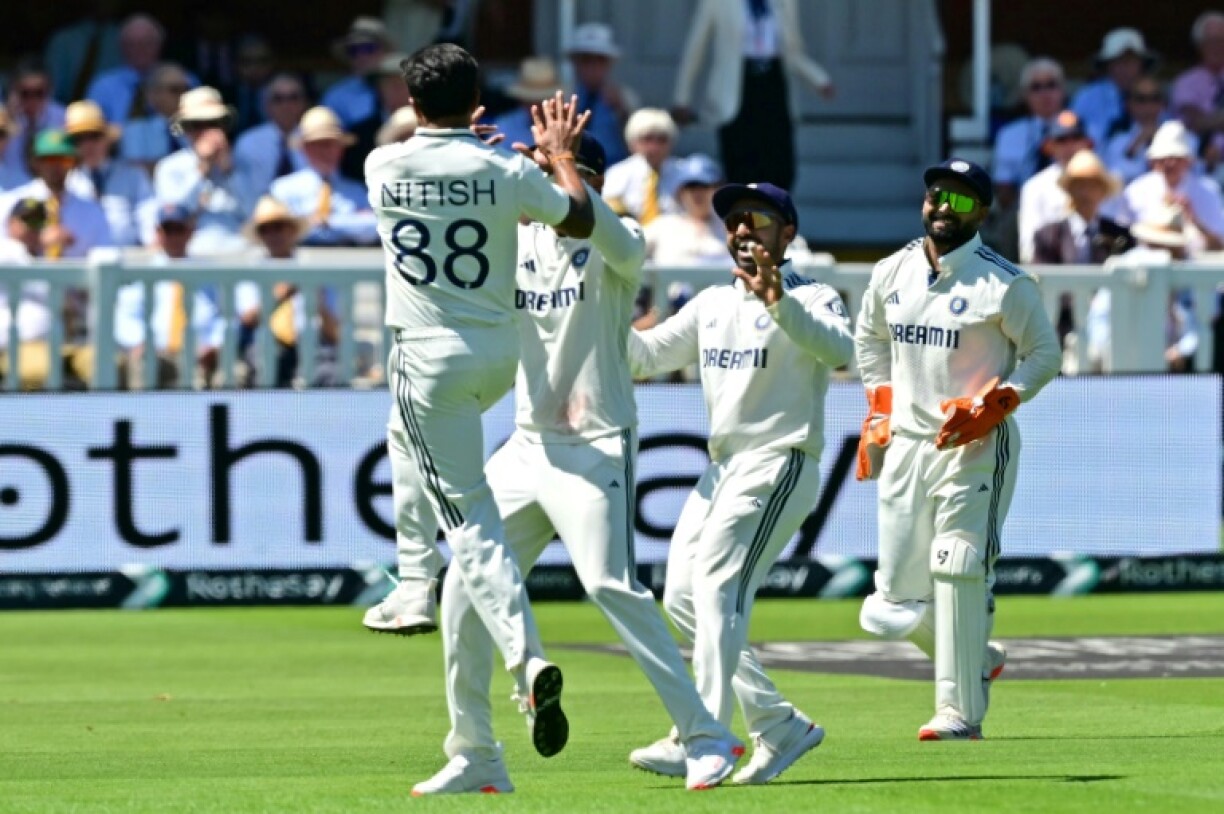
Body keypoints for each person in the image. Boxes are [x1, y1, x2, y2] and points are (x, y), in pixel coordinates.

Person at [408, 133, 743, 795]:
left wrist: (560, 162)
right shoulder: (515, 243)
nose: (538, 189)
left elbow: (606, 228)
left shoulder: (614, 243)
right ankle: (476, 752)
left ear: (580, 180)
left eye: (552, 175)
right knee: (461, 588)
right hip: (527, 446)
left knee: (611, 586)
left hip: (594, 447)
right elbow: (459, 222)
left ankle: (706, 739)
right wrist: (477, 159)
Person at [363, 44, 595, 762]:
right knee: (406, 440)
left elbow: (430, 165)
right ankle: (409, 580)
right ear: (478, 104)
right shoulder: (507, 168)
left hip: (428, 353)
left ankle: (525, 664)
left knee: (471, 525)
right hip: (498, 353)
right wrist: (556, 155)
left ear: (409, 100)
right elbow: (578, 219)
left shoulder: (383, 166)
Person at [626, 183, 852, 784]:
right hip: (724, 467)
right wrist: (597, 310)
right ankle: (777, 724)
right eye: (734, 221)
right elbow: (644, 357)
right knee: (680, 596)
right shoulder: (710, 302)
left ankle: (700, 735)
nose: (743, 229)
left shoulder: (815, 294)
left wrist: (779, 301)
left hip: (781, 460)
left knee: (719, 587)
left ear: (788, 233)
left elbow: (839, 351)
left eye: (757, 219)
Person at [854, 159, 1061, 741]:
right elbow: (869, 341)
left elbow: (1044, 355)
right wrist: (880, 411)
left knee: (959, 567)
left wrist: (997, 404)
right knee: (887, 608)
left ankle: (959, 713)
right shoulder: (891, 271)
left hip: (975, 445)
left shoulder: (1005, 283)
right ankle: (976, 656)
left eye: (962, 200)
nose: (945, 207)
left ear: (983, 213)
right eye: (937, 195)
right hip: (907, 446)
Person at [672, 0, 835, 190]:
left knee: (778, 163)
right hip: (737, 89)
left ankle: (775, 215)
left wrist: (818, 79)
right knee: (742, 162)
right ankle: (742, 215)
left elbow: (792, 50)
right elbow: (696, 47)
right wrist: (682, 98)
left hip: (772, 85)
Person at [113, 203, 225, 389]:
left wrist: (213, 345)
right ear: (158, 233)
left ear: (190, 232)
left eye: (178, 230)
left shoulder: (208, 274)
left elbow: (225, 316)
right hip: (157, 353)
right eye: (168, 230)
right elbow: (126, 316)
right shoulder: (145, 274)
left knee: (231, 376)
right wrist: (143, 342)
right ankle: (144, 418)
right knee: (143, 365)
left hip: (200, 355)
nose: (173, 237)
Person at [234, 196, 338, 387]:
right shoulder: (251, 270)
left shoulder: (314, 269)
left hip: (312, 344)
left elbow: (334, 333)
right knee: (264, 365)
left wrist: (319, 304)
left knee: (329, 373)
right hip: (266, 344)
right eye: (266, 229)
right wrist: (283, 293)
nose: (273, 234)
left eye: (279, 226)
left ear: (292, 230)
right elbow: (248, 318)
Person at [0, 198, 95, 390]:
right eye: (27, 221)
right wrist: (45, 241)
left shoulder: (46, 258)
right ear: (11, 224)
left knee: (104, 364)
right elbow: (22, 265)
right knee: (41, 372)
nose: (33, 228)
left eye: (39, 222)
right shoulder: (7, 249)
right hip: (19, 345)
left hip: (62, 344)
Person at [155, 87, 257, 255]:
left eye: (216, 124)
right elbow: (174, 217)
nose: (209, 132)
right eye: (199, 125)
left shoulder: (242, 163)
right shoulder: (170, 167)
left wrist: (228, 172)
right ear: (186, 128)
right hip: (189, 256)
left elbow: (253, 213)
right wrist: (202, 170)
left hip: (238, 254)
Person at [270, 106, 376, 246]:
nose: (325, 151)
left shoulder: (357, 191)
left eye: (331, 144)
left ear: (341, 149)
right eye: (317, 144)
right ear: (304, 149)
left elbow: (374, 227)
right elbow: (280, 231)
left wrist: (328, 222)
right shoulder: (283, 189)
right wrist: (352, 221)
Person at [1, 129, 114, 259]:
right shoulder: (11, 202)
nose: (55, 166)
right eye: (48, 160)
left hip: (76, 278)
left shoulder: (91, 210)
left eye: (64, 160)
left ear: (74, 164)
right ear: (35, 162)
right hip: (28, 278)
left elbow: (105, 253)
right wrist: (36, 241)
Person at [63, 101, 155, 247]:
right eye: (79, 139)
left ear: (106, 139)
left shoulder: (133, 176)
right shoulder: (67, 181)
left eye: (94, 136)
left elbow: (148, 218)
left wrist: (152, 245)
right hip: (84, 261)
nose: (87, 145)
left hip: (128, 260)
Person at [1123, 121, 1224, 253]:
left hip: (1194, 268)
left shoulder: (1208, 192)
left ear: (1189, 161)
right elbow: (1123, 239)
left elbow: (1219, 246)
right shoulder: (1135, 191)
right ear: (1152, 161)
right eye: (1163, 158)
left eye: (1176, 158)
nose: (1169, 163)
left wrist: (1194, 220)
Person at [1016, 110, 1101, 263]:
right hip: (1052, 268)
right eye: (1061, 140)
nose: (1070, 145)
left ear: (1087, 143)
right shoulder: (1035, 186)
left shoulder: (1101, 180)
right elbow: (1029, 245)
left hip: (1100, 264)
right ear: (1050, 146)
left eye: (1076, 138)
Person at [1032, 150, 1133, 264]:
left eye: (1093, 185)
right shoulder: (1048, 236)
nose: (1086, 192)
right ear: (1069, 190)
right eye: (1079, 185)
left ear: (1103, 192)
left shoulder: (1120, 236)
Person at [1071, 28, 1157, 147]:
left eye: (1131, 62)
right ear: (1108, 65)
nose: (1126, 69)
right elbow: (1070, 136)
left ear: (1141, 65)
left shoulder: (1153, 97)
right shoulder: (1087, 98)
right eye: (1119, 62)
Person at [566, 22, 636, 166]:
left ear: (608, 64)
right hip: (575, 167)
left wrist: (622, 111)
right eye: (586, 60)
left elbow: (637, 140)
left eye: (599, 60)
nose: (592, 67)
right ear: (576, 63)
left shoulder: (624, 97)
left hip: (614, 169)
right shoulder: (565, 96)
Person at [233, 74, 310, 200]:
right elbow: (239, 190)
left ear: (303, 103)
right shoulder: (247, 143)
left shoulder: (316, 141)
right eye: (278, 99)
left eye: (293, 98)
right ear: (266, 105)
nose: (286, 105)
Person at [86, 15, 170, 126]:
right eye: (132, 44)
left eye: (147, 43)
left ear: (159, 45)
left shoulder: (181, 80)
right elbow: (91, 132)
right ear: (122, 47)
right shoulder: (102, 87)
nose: (140, 49)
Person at [643, 153, 726, 266]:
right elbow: (630, 252)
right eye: (691, 186)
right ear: (680, 193)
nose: (697, 193)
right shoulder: (663, 226)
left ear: (717, 189)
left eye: (704, 186)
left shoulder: (731, 228)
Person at [603, 108, 682, 225]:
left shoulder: (685, 174)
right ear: (632, 142)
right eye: (647, 138)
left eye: (662, 139)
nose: (654, 146)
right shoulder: (617, 174)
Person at [118, 63, 193, 175]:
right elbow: (136, 171)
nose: (182, 95)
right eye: (175, 89)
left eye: (186, 89)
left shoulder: (195, 128)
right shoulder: (135, 130)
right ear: (153, 94)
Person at [1171, 12, 1224, 169]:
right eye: (1210, 41)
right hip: (1196, 162)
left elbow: (1205, 121)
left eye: (1221, 41)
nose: (1216, 47)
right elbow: (1195, 122)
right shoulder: (1186, 82)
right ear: (1199, 45)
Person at [322, 17, 394, 129]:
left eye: (369, 48)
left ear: (385, 52)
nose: (362, 56)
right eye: (354, 50)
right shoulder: (335, 97)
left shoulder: (401, 89)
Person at [3, 59, 65, 182]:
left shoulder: (62, 118)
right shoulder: (3, 120)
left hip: (49, 189)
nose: (32, 101)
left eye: (39, 93)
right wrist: (9, 120)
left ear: (50, 91)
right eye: (25, 93)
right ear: (13, 91)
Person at [1102, 75, 1170, 185]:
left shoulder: (1176, 132)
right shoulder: (1116, 136)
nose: (1148, 105)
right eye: (1141, 99)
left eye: (1155, 98)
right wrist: (1137, 143)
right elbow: (1114, 177)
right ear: (1128, 103)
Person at [491, 58, 562, 151]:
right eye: (531, 100)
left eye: (542, 101)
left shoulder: (564, 127)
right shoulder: (505, 127)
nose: (536, 107)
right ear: (522, 99)